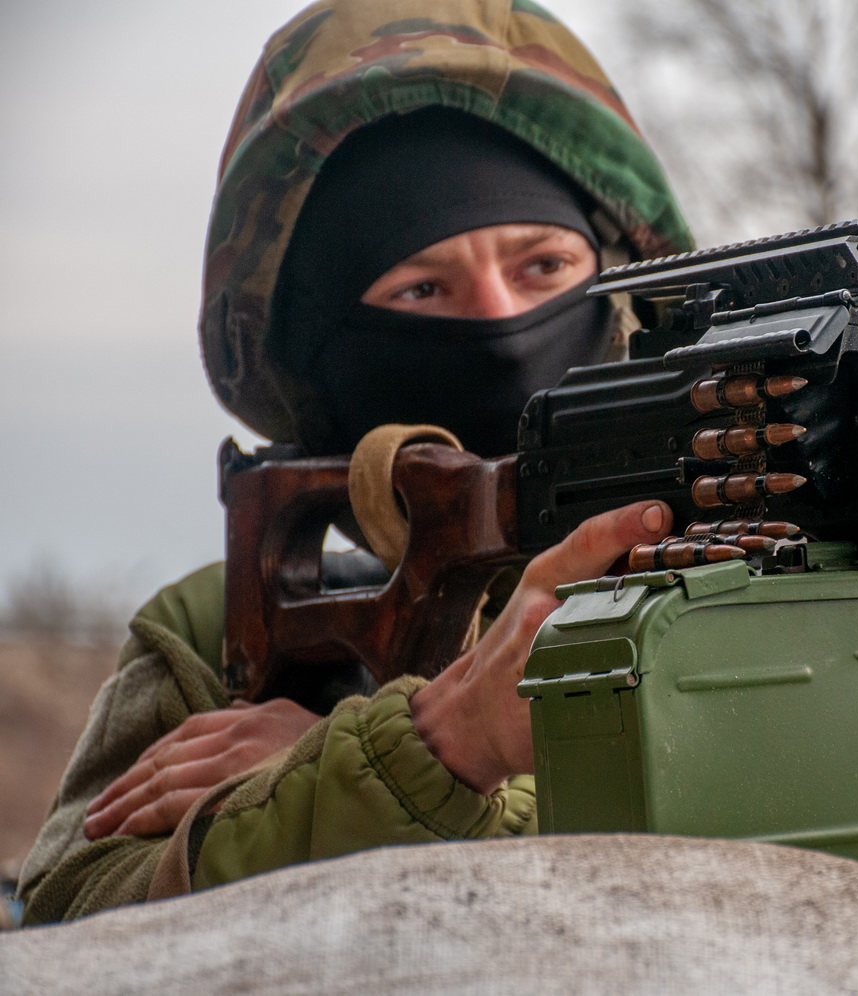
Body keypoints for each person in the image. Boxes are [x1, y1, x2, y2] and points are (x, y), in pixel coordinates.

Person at [18, 0, 692, 924]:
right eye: (422, 286)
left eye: (543, 267)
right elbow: (71, 929)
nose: (499, 326)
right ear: (319, 350)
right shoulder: (222, 631)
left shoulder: (753, 564)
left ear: (618, 290)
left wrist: (356, 758)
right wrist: (408, 759)